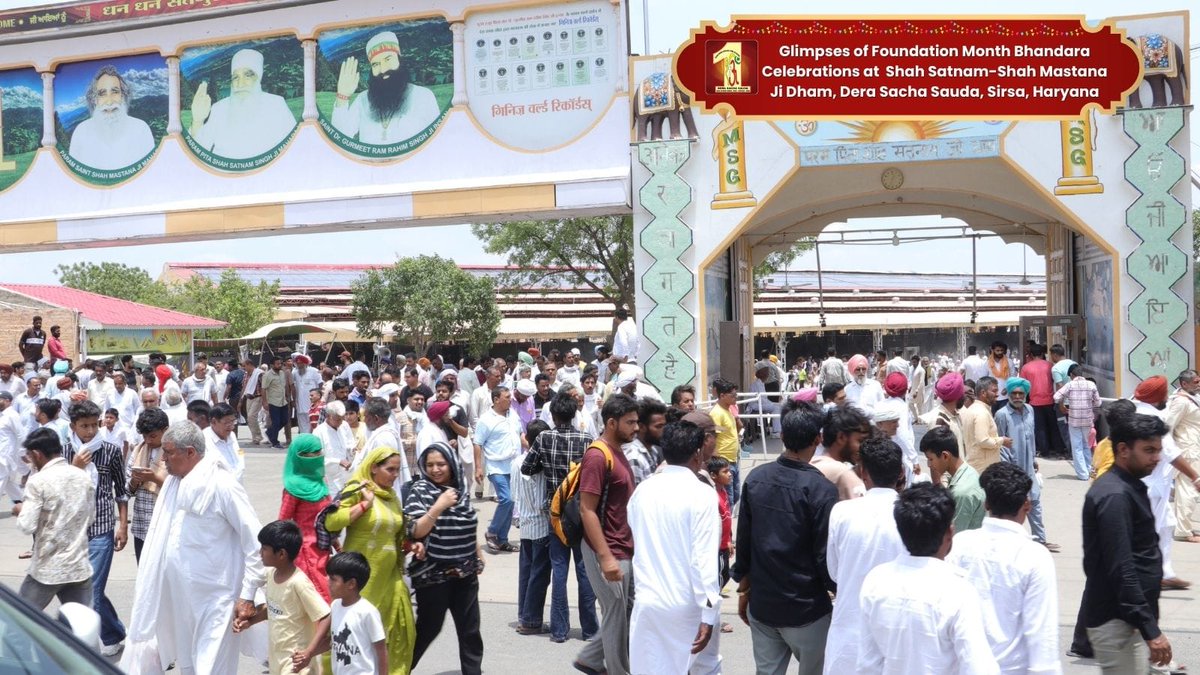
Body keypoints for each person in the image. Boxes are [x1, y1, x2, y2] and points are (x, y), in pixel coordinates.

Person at [121, 420, 267, 673]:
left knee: (211, 669)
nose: (163, 459)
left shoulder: (222, 484)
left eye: (168, 452)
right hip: (183, 600)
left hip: (218, 601)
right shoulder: (175, 484)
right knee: (188, 667)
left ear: (190, 452)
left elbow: (254, 541)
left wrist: (248, 595)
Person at [734, 403, 837, 675]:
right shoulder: (821, 489)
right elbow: (824, 554)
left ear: (782, 436)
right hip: (807, 610)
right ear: (818, 439)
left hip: (764, 604)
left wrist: (744, 590)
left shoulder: (756, 479)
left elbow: (744, 541)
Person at [857, 483, 998, 673]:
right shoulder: (958, 590)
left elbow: (868, 663)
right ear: (949, 532)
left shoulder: (876, 581)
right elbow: (978, 667)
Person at [1081, 409, 1174, 673]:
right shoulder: (1115, 496)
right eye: (1149, 450)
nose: (1157, 458)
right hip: (1118, 623)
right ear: (1123, 450)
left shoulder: (1130, 486)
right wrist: (1150, 630)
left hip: (1129, 619)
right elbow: (1121, 567)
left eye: (1158, 450)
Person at [947, 462, 1060, 673]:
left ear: (986, 504)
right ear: (1027, 505)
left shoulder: (960, 546)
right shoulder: (1034, 557)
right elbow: (1042, 636)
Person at [627, 421, 720, 674]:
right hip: (686, 606)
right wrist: (709, 613)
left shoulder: (642, 491)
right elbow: (703, 561)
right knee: (703, 667)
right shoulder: (702, 494)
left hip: (648, 602)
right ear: (698, 453)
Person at [324, 446, 416, 673]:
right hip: (362, 578)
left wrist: (410, 545)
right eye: (390, 469)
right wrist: (365, 504)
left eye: (397, 470)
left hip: (390, 577)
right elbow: (332, 522)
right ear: (373, 468)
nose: (395, 475)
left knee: (398, 632)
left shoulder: (393, 496)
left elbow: (394, 532)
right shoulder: (358, 488)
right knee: (352, 637)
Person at [520, 389, 599, 644]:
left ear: (553, 415)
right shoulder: (587, 440)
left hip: (555, 514)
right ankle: (589, 630)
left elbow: (527, 467)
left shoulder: (543, 438)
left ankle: (559, 630)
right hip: (582, 513)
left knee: (559, 571)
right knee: (585, 572)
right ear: (575, 413)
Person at [822, 435, 906, 674]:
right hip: (895, 636)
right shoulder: (912, 516)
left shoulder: (842, 512)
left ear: (863, 472)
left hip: (850, 635)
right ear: (901, 472)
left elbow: (834, 572)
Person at [404, 442, 485, 674]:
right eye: (430, 465)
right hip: (432, 575)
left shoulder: (459, 489)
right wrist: (438, 506)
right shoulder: (420, 489)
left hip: (464, 572)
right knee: (428, 629)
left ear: (451, 464)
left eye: (441, 464)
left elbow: (466, 525)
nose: (435, 470)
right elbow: (414, 530)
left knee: (470, 631)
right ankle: (400, 669)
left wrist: (476, 553)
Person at [574, 394, 640, 675]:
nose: (636, 427)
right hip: (606, 547)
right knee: (616, 615)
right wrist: (605, 557)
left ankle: (590, 657)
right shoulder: (597, 456)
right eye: (630, 422)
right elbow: (586, 510)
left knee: (625, 610)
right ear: (611, 423)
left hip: (622, 546)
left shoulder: (619, 450)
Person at [62, 400, 128, 656]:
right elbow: (58, 492)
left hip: (102, 528)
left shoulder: (110, 451)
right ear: (73, 426)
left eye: (94, 425)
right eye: (84, 426)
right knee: (85, 588)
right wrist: (75, 467)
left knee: (91, 590)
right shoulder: (64, 452)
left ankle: (86, 649)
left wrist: (122, 526)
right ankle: (114, 633)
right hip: (74, 532)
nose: (89, 431)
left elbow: (121, 492)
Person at [235, 520, 331, 675]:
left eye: (264, 548)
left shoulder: (299, 583)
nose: (260, 553)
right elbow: (274, 609)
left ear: (281, 554)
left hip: (296, 664)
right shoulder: (271, 575)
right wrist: (250, 622)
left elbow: (325, 615)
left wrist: (309, 652)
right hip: (277, 659)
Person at [15, 428, 95, 609]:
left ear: (37, 454)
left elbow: (26, 525)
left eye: (29, 456)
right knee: (82, 629)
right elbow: (90, 519)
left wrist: (21, 510)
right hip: (78, 568)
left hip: (48, 570)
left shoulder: (38, 481)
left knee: (19, 623)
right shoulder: (83, 477)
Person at [1131, 375, 1198, 592]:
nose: (1167, 397)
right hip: (1151, 486)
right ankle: (1144, 576)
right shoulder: (1152, 420)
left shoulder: (1139, 410)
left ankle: (1164, 573)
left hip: (1154, 485)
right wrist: (1195, 476)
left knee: (1166, 525)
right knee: (1148, 531)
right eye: (1164, 394)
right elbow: (1171, 453)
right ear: (1157, 396)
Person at [332, 29, 441, 144]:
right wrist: (342, 96)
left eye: (388, 59)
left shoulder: (423, 96)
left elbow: (438, 142)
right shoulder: (362, 100)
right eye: (375, 64)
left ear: (399, 58)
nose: (383, 69)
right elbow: (340, 140)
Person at [190, 48, 296, 158]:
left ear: (258, 77)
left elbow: (294, 148)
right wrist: (197, 121)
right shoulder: (219, 108)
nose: (240, 84)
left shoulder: (276, 105)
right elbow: (199, 153)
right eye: (235, 77)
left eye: (248, 75)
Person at [293, 551, 388, 675]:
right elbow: (334, 641)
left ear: (351, 584)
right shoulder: (336, 606)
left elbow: (381, 650)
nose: (328, 582)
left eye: (333, 579)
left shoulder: (367, 612)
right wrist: (308, 654)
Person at [994, 377, 1058, 552]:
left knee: (1035, 501)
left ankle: (1040, 540)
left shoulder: (1030, 410)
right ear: (1009, 394)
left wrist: (1034, 459)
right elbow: (1000, 443)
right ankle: (1009, 544)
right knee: (1013, 507)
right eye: (1014, 393)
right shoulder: (1002, 415)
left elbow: (1031, 436)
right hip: (1012, 469)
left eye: (1020, 393)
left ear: (1026, 394)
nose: (1017, 396)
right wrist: (1007, 470)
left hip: (1029, 466)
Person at [280, 434, 335, 602]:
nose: (320, 456)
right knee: (319, 597)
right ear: (301, 456)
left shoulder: (320, 481)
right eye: (315, 453)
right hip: (305, 551)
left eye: (320, 451)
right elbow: (283, 521)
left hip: (323, 546)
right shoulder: (293, 487)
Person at [67, 65, 155, 169]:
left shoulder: (141, 129)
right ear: (95, 100)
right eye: (102, 94)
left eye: (115, 92)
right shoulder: (81, 131)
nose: (109, 101)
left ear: (122, 96)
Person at [514, 420, 552, 635]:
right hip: (540, 526)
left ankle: (524, 614)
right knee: (539, 575)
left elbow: (514, 496)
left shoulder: (516, 462)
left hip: (525, 525)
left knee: (527, 573)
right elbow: (540, 502)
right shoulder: (539, 464)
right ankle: (531, 619)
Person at [474, 386, 521, 554]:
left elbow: (520, 435)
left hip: (514, 465)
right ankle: (491, 532)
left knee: (512, 502)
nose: (511, 399)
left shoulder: (513, 415)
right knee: (506, 499)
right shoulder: (486, 420)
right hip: (496, 466)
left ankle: (503, 540)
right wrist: (478, 467)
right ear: (496, 399)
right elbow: (477, 443)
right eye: (507, 397)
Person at [922, 424, 985, 532]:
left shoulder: (962, 492)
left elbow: (953, 538)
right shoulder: (967, 473)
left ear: (945, 456)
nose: (928, 464)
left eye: (930, 459)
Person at [127, 407, 169, 562]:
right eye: (145, 436)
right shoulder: (139, 451)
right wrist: (134, 481)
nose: (149, 441)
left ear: (165, 430)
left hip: (165, 524)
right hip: (142, 523)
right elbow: (127, 490)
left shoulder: (174, 452)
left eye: (153, 436)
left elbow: (181, 488)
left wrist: (154, 478)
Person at [1165, 369, 1200, 542]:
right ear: (1184, 384)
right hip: (1187, 451)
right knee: (1189, 490)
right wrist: (1171, 452)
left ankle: (1183, 528)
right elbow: (1168, 427)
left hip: (1192, 449)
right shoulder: (1181, 401)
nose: (1198, 384)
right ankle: (1183, 531)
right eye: (1195, 381)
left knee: (1184, 491)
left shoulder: (1192, 399)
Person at [810, 405, 869, 500]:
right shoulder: (843, 473)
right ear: (841, 437)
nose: (865, 447)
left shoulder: (812, 463)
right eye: (860, 441)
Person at [1054, 363, 1101, 480]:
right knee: (1086, 444)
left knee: (1077, 447)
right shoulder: (1091, 385)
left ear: (1071, 375)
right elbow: (1098, 403)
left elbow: (1056, 397)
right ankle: (1089, 469)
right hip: (1087, 420)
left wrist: (1063, 402)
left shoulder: (1070, 385)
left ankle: (1083, 474)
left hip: (1074, 420)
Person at [961, 376, 1009, 473]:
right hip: (982, 469)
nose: (997, 394)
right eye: (994, 391)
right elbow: (983, 441)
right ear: (983, 393)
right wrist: (1002, 440)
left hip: (976, 466)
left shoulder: (974, 409)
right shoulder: (981, 413)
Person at [709, 378, 742, 505]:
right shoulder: (717, 413)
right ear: (722, 395)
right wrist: (719, 464)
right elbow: (713, 437)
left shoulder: (728, 410)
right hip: (724, 461)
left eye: (736, 395)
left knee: (736, 494)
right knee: (729, 498)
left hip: (734, 459)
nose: (735, 398)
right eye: (733, 395)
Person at [317, 400, 356, 494]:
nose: (340, 422)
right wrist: (338, 462)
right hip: (331, 480)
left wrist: (353, 450)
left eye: (342, 419)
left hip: (347, 475)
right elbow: (318, 460)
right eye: (337, 419)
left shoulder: (344, 425)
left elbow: (350, 443)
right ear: (328, 416)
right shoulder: (319, 432)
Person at [205, 402, 244, 483]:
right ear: (214, 422)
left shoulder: (232, 435)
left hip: (237, 487)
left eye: (233, 421)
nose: (231, 426)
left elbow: (240, 452)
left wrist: (242, 458)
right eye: (226, 422)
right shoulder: (204, 440)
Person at [262, 356, 290, 449]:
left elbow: (284, 386)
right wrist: (264, 402)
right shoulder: (267, 375)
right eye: (277, 364)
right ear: (272, 365)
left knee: (285, 420)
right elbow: (264, 389)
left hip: (283, 401)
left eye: (280, 363)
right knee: (276, 422)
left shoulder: (282, 373)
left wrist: (287, 396)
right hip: (273, 402)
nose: (280, 365)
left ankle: (270, 432)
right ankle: (275, 442)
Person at [293, 355, 322, 434]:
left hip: (312, 404)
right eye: (297, 363)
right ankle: (304, 442)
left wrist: (319, 397)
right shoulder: (295, 373)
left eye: (301, 363)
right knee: (302, 426)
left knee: (313, 425)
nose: (299, 365)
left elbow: (320, 383)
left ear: (306, 364)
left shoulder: (314, 371)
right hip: (300, 404)